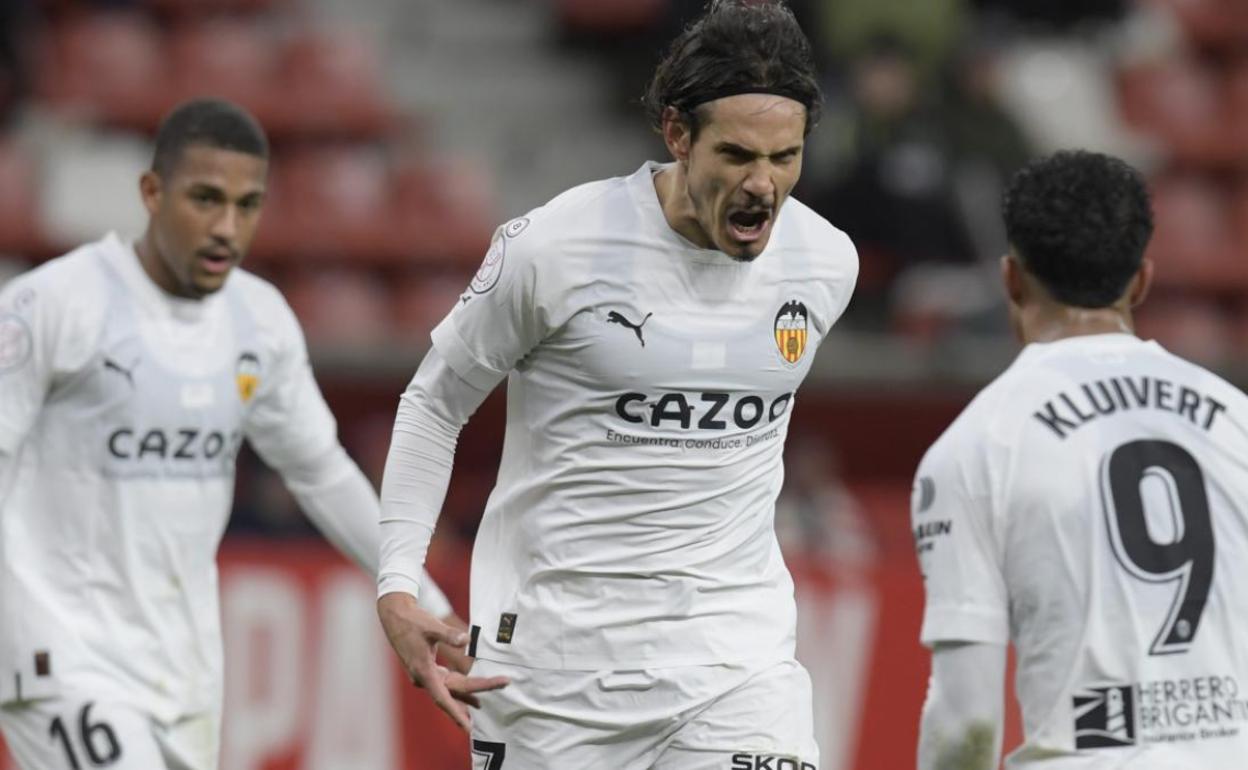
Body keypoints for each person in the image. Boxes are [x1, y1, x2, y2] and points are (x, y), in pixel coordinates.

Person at [375, 1, 859, 767]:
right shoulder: (555, 249)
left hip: (736, 668)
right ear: (676, 133)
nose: (763, 187)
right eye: (736, 155)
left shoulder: (826, 263)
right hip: (555, 675)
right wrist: (399, 581)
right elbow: (434, 404)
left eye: (785, 157)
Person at [0, 98, 481, 770]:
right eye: (204, 199)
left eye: (246, 205)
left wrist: (417, 600)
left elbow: (320, 470)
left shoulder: (258, 320)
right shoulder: (51, 306)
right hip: (64, 657)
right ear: (151, 192)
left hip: (185, 667)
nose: (227, 226)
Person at [912, 150, 1248, 769]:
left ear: (1011, 278)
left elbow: (967, 724)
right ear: (1141, 281)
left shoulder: (975, 446)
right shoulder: (1236, 421)